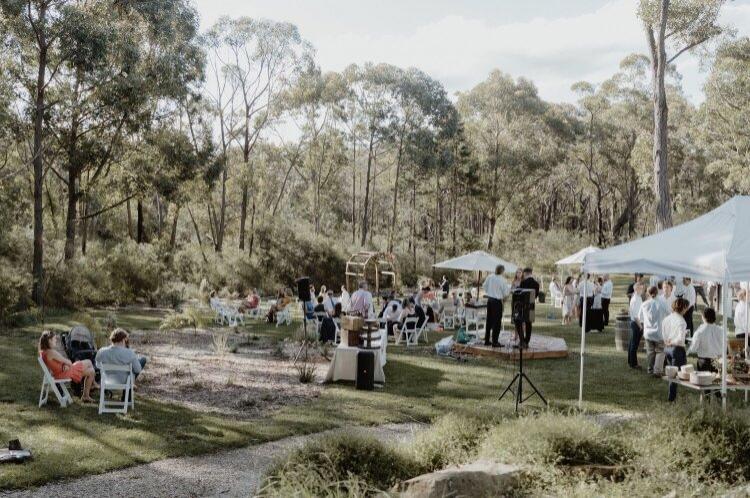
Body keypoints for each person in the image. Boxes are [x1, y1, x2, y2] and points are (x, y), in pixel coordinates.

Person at [39, 330, 97, 403]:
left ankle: (86, 395)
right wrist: (65, 365)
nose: (56, 341)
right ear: (49, 340)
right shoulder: (51, 352)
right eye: (54, 339)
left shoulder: (44, 352)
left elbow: (58, 363)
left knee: (91, 371)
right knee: (89, 361)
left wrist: (64, 366)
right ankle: (93, 384)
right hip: (64, 373)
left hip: (61, 372)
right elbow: (68, 362)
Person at [95, 329, 147, 397]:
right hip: (124, 381)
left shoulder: (102, 351)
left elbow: (97, 365)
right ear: (124, 340)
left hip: (107, 380)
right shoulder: (129, 353)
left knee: (135, 364)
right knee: (142, 360)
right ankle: (126, 396)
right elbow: (138, 370)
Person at [662, 298, 691, 401]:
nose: (687, 310)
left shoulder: (667, 318)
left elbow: (664, 333)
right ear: (683, 307)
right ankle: (672, 398)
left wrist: (667, 341)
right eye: (686, 307)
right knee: (676, 374)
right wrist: (673, 342)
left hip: (667, 348)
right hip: (677, 348)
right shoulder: (681, 321)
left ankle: (673, 395)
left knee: (671, 373)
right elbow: (680, 339)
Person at [639, 286, 667, 374]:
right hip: (659, 332)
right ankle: (657, 370)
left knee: (650, 352)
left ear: (648, 293)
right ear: (657, 292)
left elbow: (640, 317)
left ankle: (650, 369)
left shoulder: (644, 304)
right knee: (660, 351)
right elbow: (669, 314)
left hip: (648, 332)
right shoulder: (662, 303)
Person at [481, 264, 511, 347]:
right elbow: (506, 293)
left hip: (490, 300)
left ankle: (487, 340)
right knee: (497, 322)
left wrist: (490, 291)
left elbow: (484, 286)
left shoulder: (490, 276)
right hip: (497, 302)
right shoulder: (502, 280)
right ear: (502, 271)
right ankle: (495, 342)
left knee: (489, 321)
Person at [688, 308, 724, 372]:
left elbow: (693, 348)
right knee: (715, 381)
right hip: (717, 360)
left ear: (703, 317)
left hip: (704, 361)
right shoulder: (720, 330)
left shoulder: (700, 331)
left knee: (704, 381)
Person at [516, 268, 540, 349]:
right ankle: (527, 341)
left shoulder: (523, 282)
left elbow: (520, 294)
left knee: (518, 321)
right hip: (531, 305)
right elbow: (536, 295)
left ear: (525, 273)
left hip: (522, 305)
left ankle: (522, 341)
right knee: (528, 323)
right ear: (531, 273)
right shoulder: (536, 284)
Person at [628, 282, 645, 369]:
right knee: (634, 344)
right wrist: (640, 326)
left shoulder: (638, 297)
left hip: (636, 323)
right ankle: (633, 364)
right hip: (636, 323)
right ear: (636, 289)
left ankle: (631, 361)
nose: (642, 290)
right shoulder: (635, 299)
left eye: (642, 288)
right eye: (641, 288)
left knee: (632, 343)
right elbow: (635, 315)